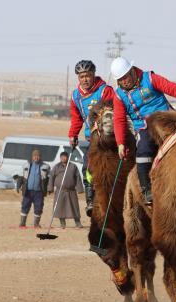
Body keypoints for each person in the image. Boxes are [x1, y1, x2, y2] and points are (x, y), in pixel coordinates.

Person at [110, 57, 176, 204]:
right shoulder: (119, 96)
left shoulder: (150, 78)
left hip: (168, 118)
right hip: (145, 126)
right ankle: (146, 189)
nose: (125, 81)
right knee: (143, 149)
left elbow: (173, 89)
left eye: (126, 76)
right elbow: (119, 120)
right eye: (120, 79)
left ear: (132, 70)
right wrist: (120, 143)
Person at [68, 60, 114, 217]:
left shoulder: (105, 91)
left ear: (93, 75)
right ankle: (90, 202)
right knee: (87, 169)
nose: (85, 79)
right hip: (91, 140)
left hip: (108, 138)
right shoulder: (76, 96)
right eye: (82, 76)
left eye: (88, 76)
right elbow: (76, 119)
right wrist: (73, 135)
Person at [48, 152, 84, 228]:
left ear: (68, 157)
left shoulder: (73, 166)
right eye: (62, 157)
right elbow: (51, 177)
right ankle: (62, 223)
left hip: (71, 191)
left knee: (74, 207)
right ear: (60, 158)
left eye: (65, 157)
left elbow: (78, 178)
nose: (63, 158)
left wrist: (80, 189)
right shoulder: (56, 167)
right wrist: (50, 188)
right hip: (60, 191)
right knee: (60, 207)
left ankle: (78, 223)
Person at [16, 149, 50, 228]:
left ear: (40, 157)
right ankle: (22, 223)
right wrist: (18, 186)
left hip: (39, 192)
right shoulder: (25, 165)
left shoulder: (46, 166)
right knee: (25, 206)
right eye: (35, 156)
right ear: (32, 157)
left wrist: (49, 188)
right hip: (28, 191)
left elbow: (49, 179)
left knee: (39, 207)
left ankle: (36, 224)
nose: (36, 157)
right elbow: (21, 177)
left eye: (38, 156)